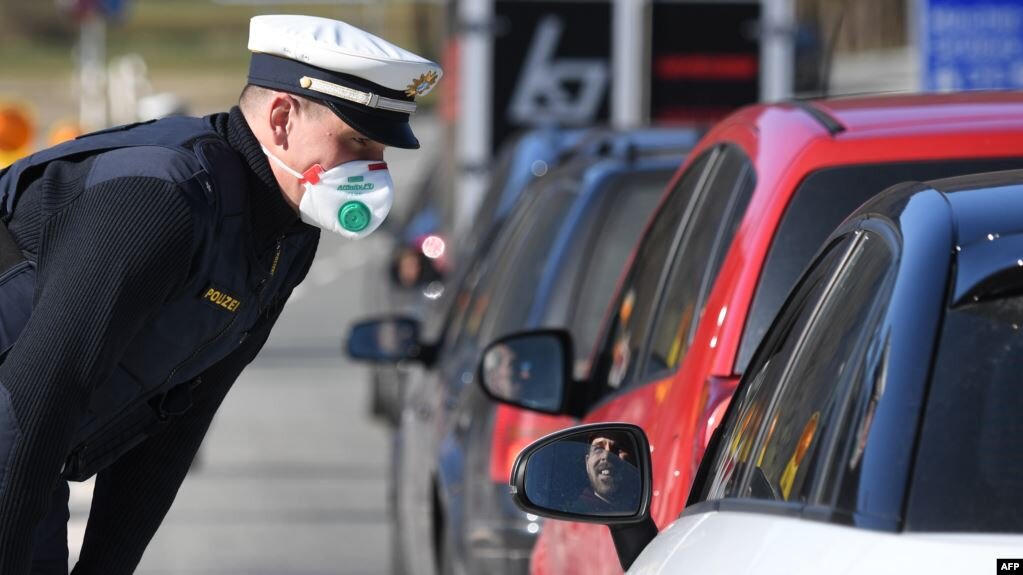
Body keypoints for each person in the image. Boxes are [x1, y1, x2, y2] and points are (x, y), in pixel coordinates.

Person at [0, 14, 441, 574]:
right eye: (356, 141)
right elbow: (40, 392)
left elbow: (179, 414)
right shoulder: (163, 197)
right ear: (281, 118)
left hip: (25, 448)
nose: (372, 169)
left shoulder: (285, 238)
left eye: (380, 150)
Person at [574, 431, 641, 515]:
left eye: (617, 448)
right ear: (587, 463)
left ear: (634, 460)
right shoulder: (578, 513)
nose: (607, 456)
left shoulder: (640, 503)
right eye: (598, 449)